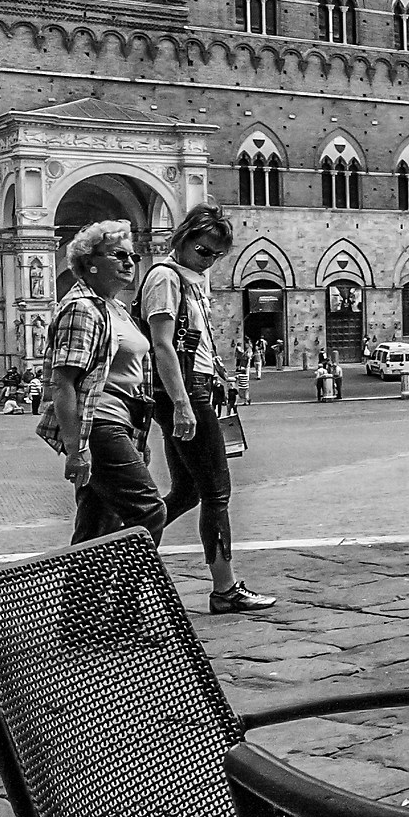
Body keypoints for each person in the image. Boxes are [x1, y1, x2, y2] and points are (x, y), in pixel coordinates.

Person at [143, 205, 271, 615]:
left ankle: (128, 545)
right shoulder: (165, 277)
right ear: (181, 238)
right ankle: (225, 589)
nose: (209, 260)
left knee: (188, 490)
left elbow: (194, 343)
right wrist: (182, 403)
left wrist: (219, 376)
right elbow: (162, 344)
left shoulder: (189, 279)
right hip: (182, 392)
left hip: (193, 388)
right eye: (203, 250)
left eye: (217, 255)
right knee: (217, 491)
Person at [46, 220, 168, 547]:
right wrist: (76, 450)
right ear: (90, 264)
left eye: (132, 256)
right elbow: (62, 383)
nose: (129, 262)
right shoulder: (81, 308)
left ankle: (81, 598)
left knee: (98, 525)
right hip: (100, 423)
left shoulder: (114, 308)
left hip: (122, 422)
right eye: (118, 255)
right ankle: (129, 594)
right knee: (149, 511)